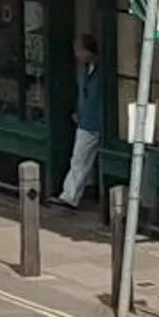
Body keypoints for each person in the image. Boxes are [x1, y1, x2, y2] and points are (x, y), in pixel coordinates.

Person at [57, 33, 104, 207]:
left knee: (80, 158)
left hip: (96, 122)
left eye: (79, 50)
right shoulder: (83, 70)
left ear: (88, 50)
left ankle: (70, 196)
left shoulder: (102, 71)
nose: (77, 55)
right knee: (80, 159)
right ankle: (71, 195)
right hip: (86, 121)